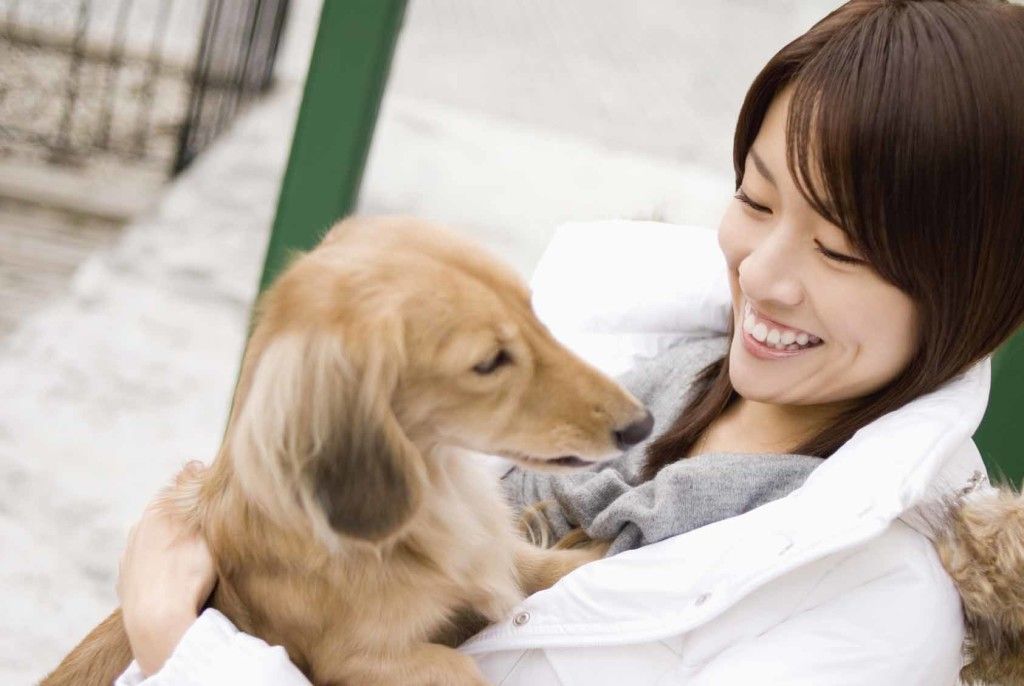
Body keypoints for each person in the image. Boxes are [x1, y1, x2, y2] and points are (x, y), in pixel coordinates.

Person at [113, 1, 1024, 684]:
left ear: (978, 291)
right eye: (754, 199)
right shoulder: (614, 353)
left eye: (842, 248)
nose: (765, 275)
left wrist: (182, 649)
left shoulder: (877, 614)